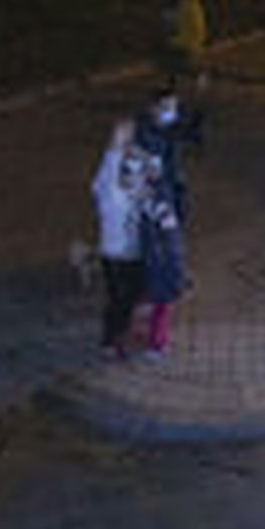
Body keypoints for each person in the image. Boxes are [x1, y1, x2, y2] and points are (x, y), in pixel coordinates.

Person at [91, 120, 149, 358]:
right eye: (125, 173)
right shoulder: (108, 193)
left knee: (132, 297)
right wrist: (115, 145)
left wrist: (138, 154)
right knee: (118, 300)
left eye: (132, 173)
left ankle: (122, 333)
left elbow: (149, 172)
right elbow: (107, 171)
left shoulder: (135, 190)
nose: (130, 177)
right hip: (114, 256)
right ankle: (110, 342)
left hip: (135, 253)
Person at [138, 155, 186, 357]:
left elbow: (168, 235)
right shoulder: (159, 200)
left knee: (160, 307)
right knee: (160, 307)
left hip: (159, 264)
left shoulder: (157, 202)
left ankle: (157, 343)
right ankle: (155, 342)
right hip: (160, 263)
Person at [134, 86, 203, 223]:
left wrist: (196, 127)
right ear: (154, 108)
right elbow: (165, 138)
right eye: (166, 107)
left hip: (172, 179)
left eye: (173, 106)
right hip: (153, 185)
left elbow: (189, 140)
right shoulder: (145, 128)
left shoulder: (172, 125)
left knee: (177, 215)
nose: (171, 111)